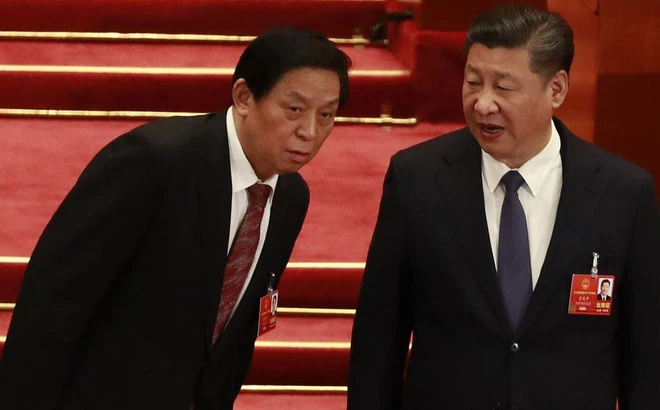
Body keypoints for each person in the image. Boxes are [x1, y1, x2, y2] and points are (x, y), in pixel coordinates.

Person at [0, 27, 350, 410]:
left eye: (326, 115)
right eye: (294, 110)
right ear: (244, 97)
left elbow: (236, 331)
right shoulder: (153, 161)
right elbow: (53, 301)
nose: (310, 132)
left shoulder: (290, 197)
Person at [348, 4, 660, 410]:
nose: (482, 104)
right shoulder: (417, 179)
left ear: (556, 89)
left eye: (504, 87)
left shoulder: (623, 193)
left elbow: (646, 354)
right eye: (473, 82)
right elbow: (378, 338)